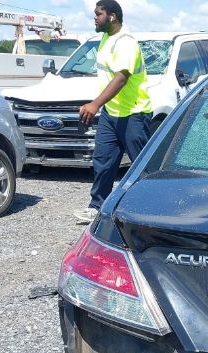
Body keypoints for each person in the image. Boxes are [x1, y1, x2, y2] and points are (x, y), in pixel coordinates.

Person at [74, 0, 152, 224]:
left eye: (98, 14)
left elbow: (121, 78)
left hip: (134, 113)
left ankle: (150, 208)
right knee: (103, 161)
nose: (95, 18)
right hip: (112, 113)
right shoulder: (106, 39)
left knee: (140, 165)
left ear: (112, 16)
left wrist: (95, 104)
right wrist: (101, 105)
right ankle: (97, 206)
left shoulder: (125, 42)